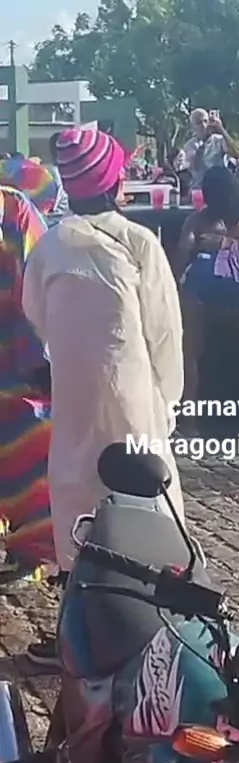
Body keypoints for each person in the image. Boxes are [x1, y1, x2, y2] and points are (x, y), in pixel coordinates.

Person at [22, 126, 184, 664]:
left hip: (74, 402)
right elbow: (165, 333)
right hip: (134, 402)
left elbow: (37, 317)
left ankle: (77, 638)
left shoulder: (50, 247)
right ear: (116, 183)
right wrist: (167, 401)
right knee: (146, 503)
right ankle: (154, 628)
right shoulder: (139, 243)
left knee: (77, 505)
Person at [175, 166, 239, 435]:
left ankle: (189, 423)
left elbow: (182, 256)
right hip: (234, 285)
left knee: (192, 354)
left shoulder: (197, 221)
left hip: (200, 283)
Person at [0, 185, 55, 579]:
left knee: (32, 443)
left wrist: (41, 361)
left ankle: (32, 550)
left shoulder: (14, 212)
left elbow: (37, 288)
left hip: (19, 366)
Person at [176, 109, 239, 190]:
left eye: (205, 121)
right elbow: (183, 168)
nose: (203, 125)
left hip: (218, 187)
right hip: (198, 189)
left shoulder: (218, 140)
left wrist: (221, 129)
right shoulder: (188, 146)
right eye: (199, 122)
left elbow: (235, 153)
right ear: (192, 127)